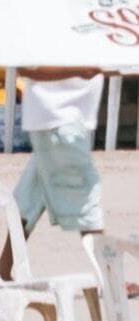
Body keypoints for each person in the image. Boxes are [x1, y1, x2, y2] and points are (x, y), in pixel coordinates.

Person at [10, 68, 107, 240]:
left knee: (28, 201)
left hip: (59, 121)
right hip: (61, 120)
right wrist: (80, 71)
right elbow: (27, 68)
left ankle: (2, 267)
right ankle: (107, 267)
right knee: (88, 211)